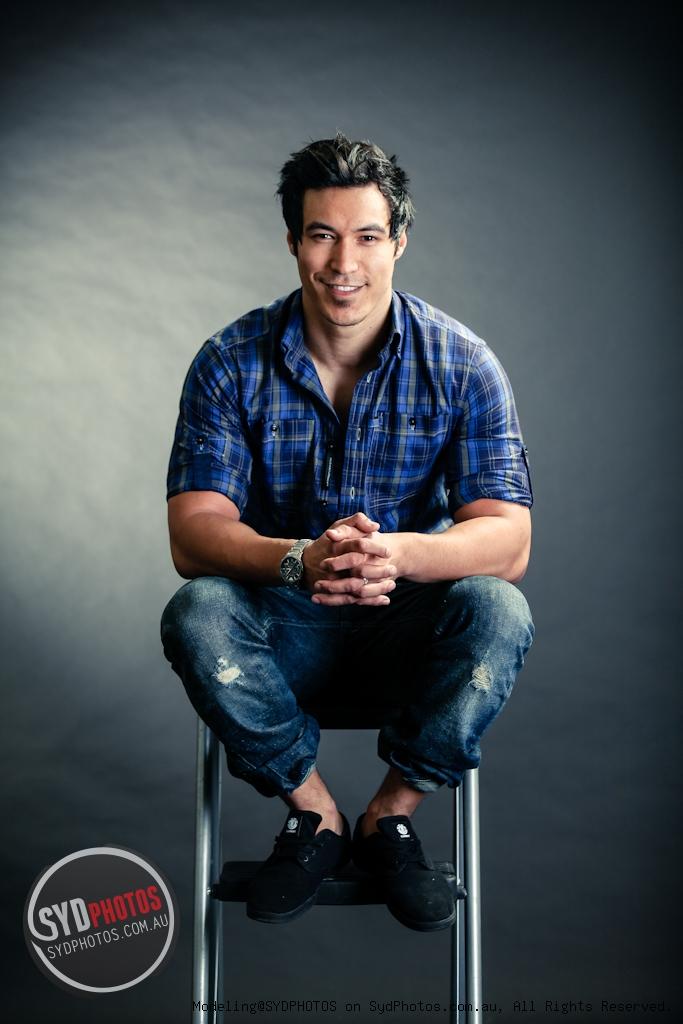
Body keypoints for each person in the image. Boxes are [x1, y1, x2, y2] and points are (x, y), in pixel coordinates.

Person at [161, 132, 534, 933]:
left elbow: (509, 542)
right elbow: (193, 535)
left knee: (498, 609)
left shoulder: (463, 363)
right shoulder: (229, 361)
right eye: (322, 235)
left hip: (410, 636)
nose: (343, 263)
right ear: (292, 242)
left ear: (398, 241)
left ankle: (388, 817)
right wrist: (300, 560)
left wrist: (397, 553)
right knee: (197, 610)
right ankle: (317, 814)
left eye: (366, 236)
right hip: (281, 637)